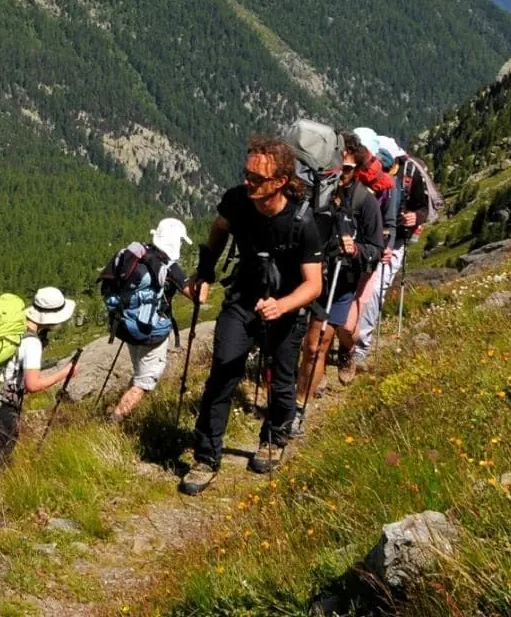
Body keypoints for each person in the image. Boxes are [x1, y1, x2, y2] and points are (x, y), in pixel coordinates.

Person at [181, 136, 324, 493]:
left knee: (283, 377)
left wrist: (284, 305)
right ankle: (205, 457)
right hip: (243, 299)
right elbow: (218, 229)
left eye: (256, 179)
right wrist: (206, 271)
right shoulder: (237, 202)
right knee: (222, 372)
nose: (248, 183)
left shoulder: (303, 223)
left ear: (279, 182)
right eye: (246, 174)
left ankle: (274, 439)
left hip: (285, 305)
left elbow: (314, 285)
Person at [298, 132, 387, 406]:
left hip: (341, 280)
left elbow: (376, 248)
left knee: (318, 343)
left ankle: (301, 402)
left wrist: (357, 250)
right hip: (310, 273)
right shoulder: (316, 194)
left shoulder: (365, 202)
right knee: (307, 344)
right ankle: (299, 392)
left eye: (348, 169)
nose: (342, 173)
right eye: (339, 167)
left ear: (357, 169)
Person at [0, 286, 78, 470]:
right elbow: (32, 385)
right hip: (0, 403)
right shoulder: (32, 342)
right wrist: (64, 373)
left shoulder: (17, 325)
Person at [350, 136, 424, 373]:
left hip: (392, 242)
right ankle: (350, 341)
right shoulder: (365, 175)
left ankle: (359, 347)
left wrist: (417, 218)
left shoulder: (410, 172)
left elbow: (424, 205)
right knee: (356, 293)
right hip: (364, 242)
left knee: (372, 296)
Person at [110, 218, 192, 421]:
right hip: (149, 331)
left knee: (140, 370)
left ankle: (122, 408)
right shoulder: (169, 266)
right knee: (145, 382)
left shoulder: (136, 254)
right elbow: (198, 296)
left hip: (124, 323)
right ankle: (114, 421)